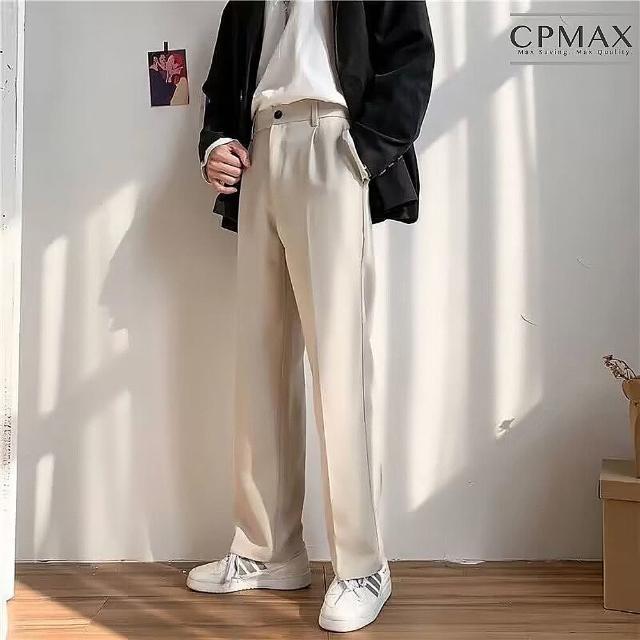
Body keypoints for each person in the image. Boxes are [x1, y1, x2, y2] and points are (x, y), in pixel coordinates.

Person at [189, 0, 435, 633]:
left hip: (333, 145)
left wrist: (364, 150)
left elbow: (411, 55)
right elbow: (224, 83)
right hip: (260, 151)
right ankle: (269, 551)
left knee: (339, 366)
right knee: (260, 363)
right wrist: (217, 143)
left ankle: (362, 565)